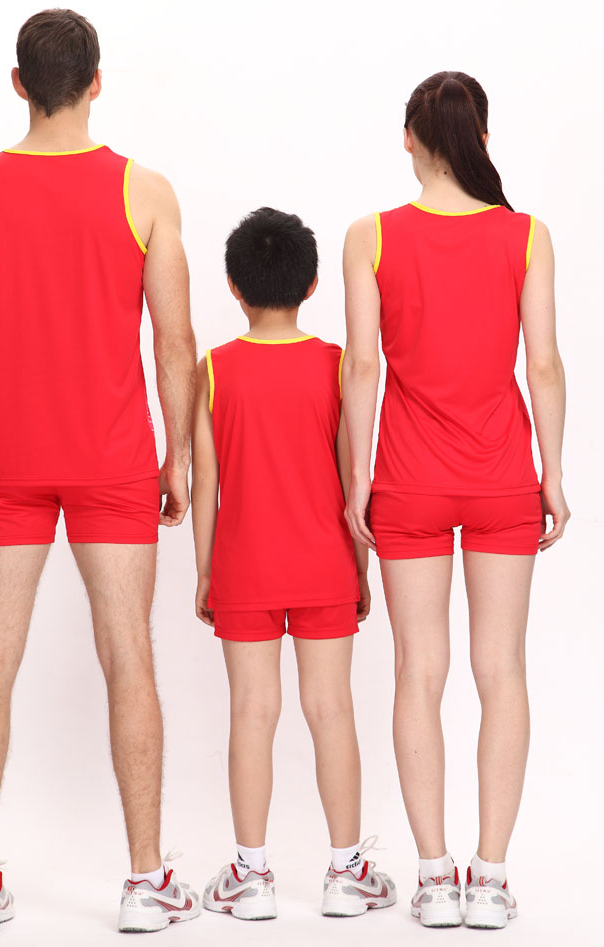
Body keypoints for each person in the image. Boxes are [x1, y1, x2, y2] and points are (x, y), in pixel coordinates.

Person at [0, 9, 199, 936]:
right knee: (130, 659)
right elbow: (174, 344)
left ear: (18, 84)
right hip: (112, 457)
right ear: (96, 82)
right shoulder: (145, 191)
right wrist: (178, 456)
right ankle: (146, 880)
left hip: (6, 456)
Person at [341, 71, 569, 930]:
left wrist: (355, 479)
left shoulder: (370, 236)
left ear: (409, 137)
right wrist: (552, 471)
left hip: (408, 480)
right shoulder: (526, 235)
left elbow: (362, 366)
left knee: (418, 671)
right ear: (482, 136)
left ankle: (435, 877)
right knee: (501, 669)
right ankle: (493, 876)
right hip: (503, 474)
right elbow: (543, 363)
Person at [192, 207, 396, 921]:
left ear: (233, 286)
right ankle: (346, 872)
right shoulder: (339, 366)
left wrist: (206, 571)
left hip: (243, 567)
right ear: (312, 285)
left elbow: (206, 482)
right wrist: (360, 569)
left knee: (252, 711)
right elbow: (352, 478)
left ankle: (250, 877)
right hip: (325, 564)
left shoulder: (212, 370)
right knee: (331, 707)